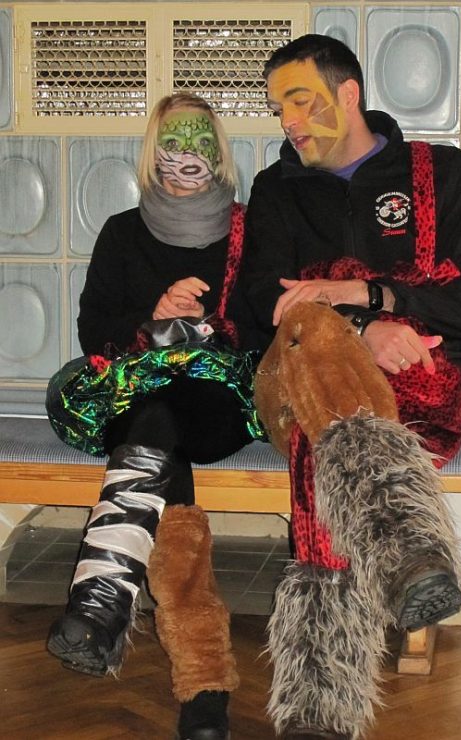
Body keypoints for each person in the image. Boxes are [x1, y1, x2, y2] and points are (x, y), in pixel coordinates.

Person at [243, 34, 461, 739]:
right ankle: (408, 551)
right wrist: (358, 331)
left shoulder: (439, 174)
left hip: (420, 383)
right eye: (277, 108)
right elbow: (260, 306)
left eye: (299, 101)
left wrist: (370, 294)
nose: (287, 121)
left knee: (322, 452)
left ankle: (318, 710)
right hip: (298, 383)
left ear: (348, 93)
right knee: (315, 340)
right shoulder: (275, 189)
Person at [45, 92, 265, 740]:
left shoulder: (250, 231)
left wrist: (203, 325)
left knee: (160, 421)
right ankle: (204, 691)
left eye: (199, 140)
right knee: (156, 427)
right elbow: (93, 332)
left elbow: (265, 333)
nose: (185, 155)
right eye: (173, 140)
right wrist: (154, 318)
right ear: (152, 150)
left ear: (218, 150)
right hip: (135, 398)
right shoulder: (122, 231)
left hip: (216, 403)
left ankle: (101, 603)